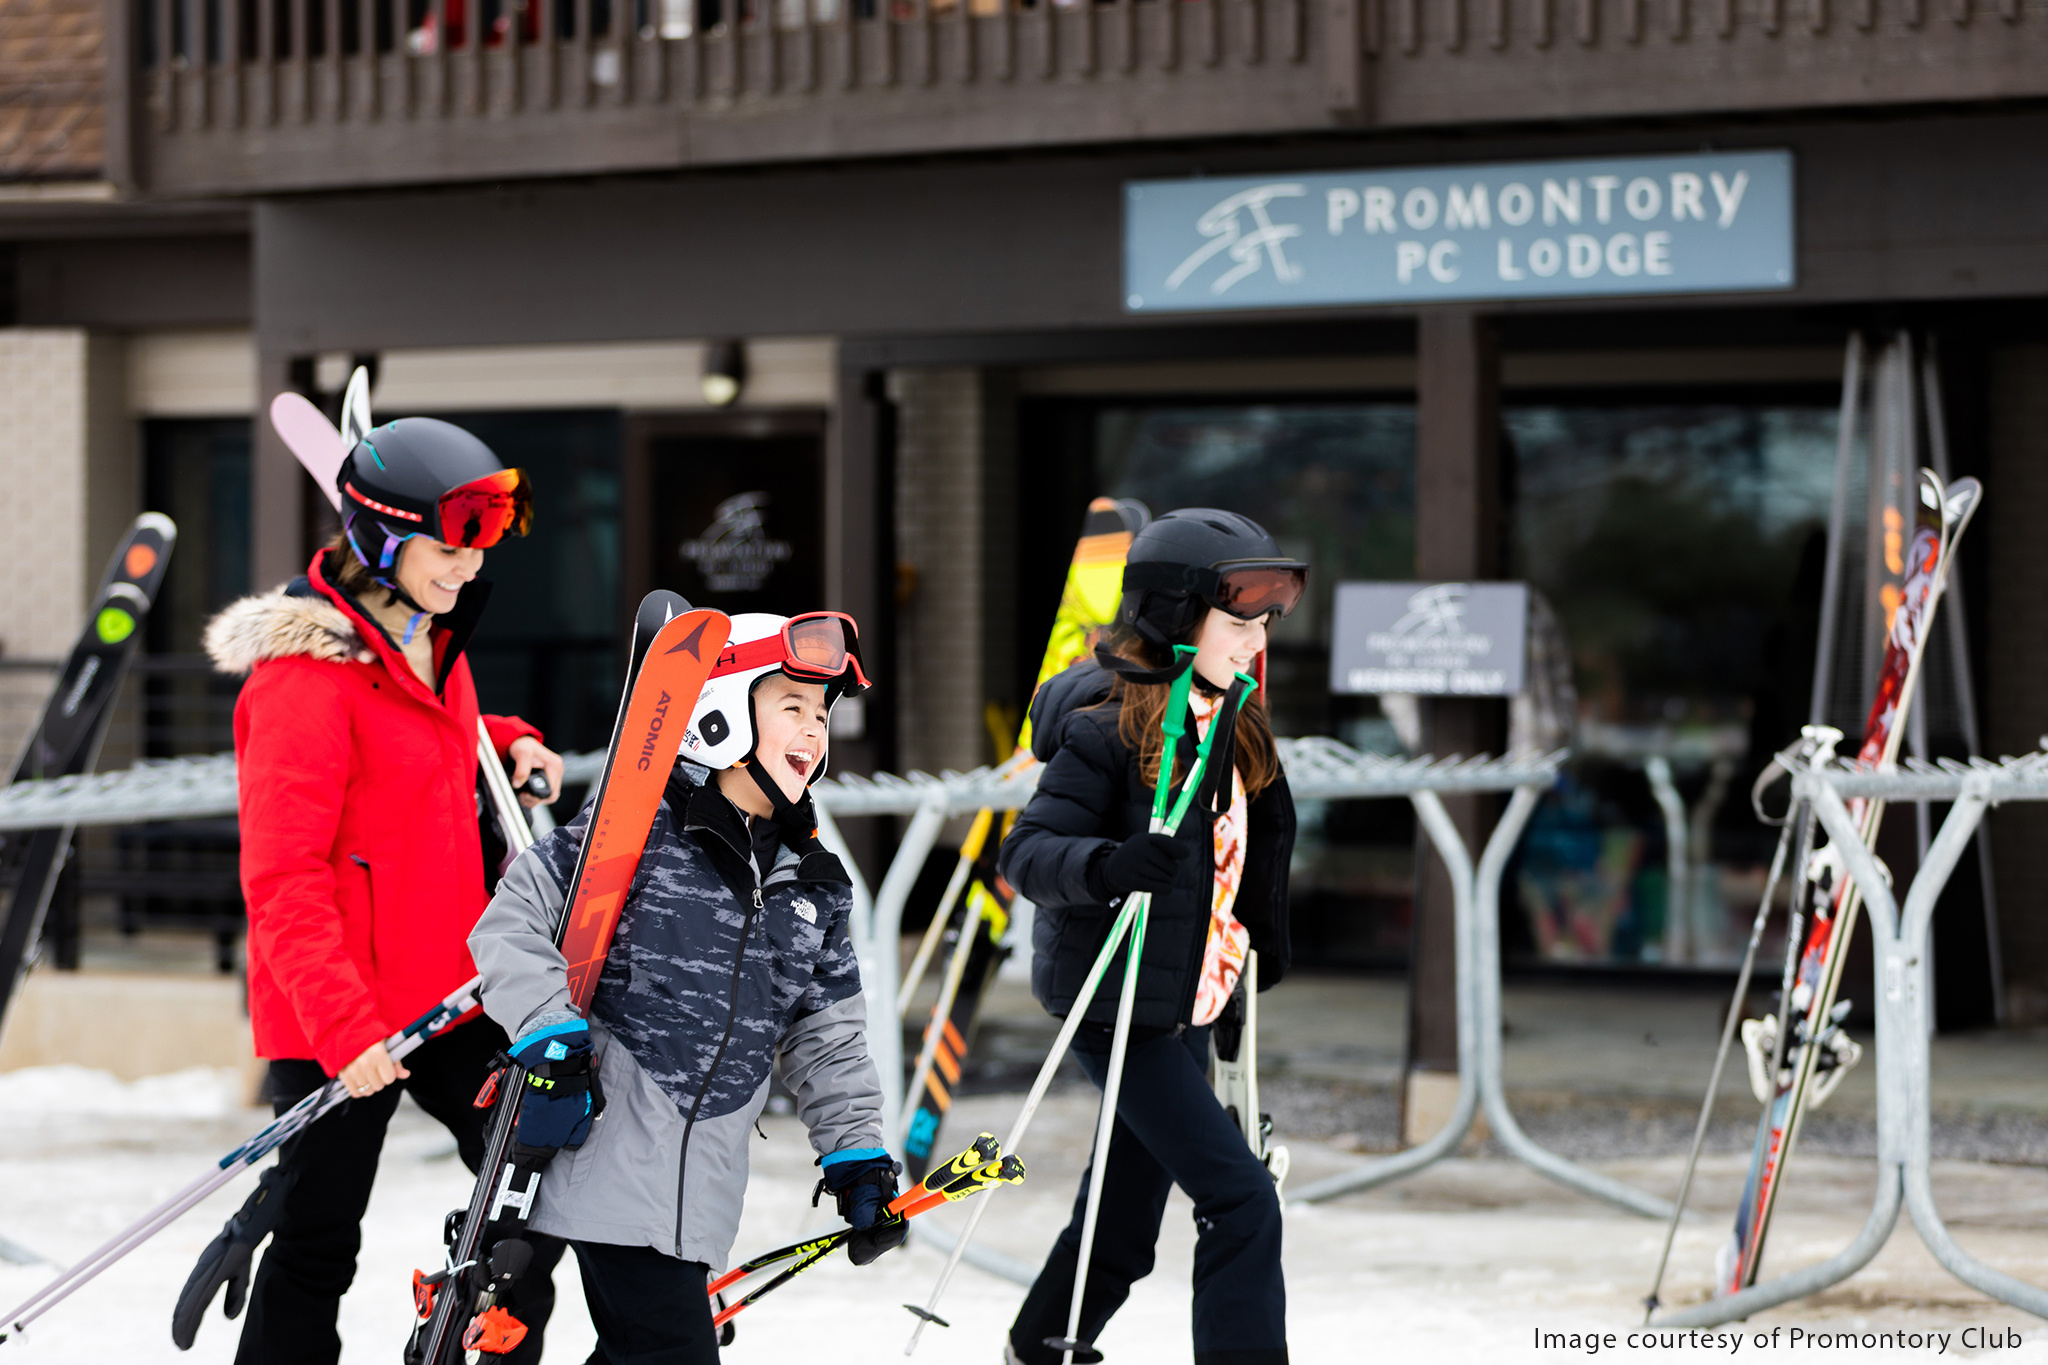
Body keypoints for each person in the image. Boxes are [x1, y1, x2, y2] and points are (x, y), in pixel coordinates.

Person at [195, 416, 566, 1365]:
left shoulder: (428, 642)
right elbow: (283, 875)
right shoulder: (299, 686)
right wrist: (343, 1029)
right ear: (383, 542)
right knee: (319, 1243)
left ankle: (466, 1336)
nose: (470, 569)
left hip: (450, 993)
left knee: (537, 1191)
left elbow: (429, 733)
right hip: (343, 1016)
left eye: (481, 545)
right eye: (450, 548)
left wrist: (510, 736)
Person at [469, 610, 897, 1365]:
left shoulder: (815, 883)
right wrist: (546, 1029)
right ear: (724, 714)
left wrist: (855, 1154)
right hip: (597, 1147)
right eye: (791, 706)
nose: (814, 729)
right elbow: (508, 925)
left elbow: (826, 1038)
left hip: (695, 1192)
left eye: (823, 713)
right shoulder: (636, 830)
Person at [999, 509, 1305, 1365]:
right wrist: (1109, 863)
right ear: (1177, 614)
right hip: (1118, 1001)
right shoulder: (1106, 730)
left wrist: (1256, 949)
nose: (1256, 639)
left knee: (1124, 1216)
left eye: (1264, 621)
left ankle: (1041, 1343)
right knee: (1242, 1199)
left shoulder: (1236, 719)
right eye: (1239, 620)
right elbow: (1025, 853)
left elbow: (1252, 853)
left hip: (1188, 998)